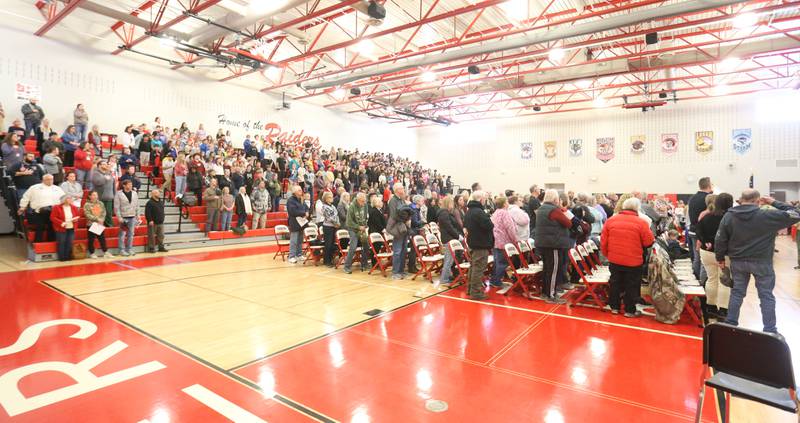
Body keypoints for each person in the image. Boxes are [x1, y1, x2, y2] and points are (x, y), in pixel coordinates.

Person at [715, 189, 800, 334]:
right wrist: (774, 202)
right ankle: (770, 330)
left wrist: (720, 258)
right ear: (757, 200)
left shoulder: (729, 216)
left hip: (738, 261)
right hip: (762, 262)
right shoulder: (767, 214)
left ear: (741, 199)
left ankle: (731, 324)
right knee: (766, 296)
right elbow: (796, 213)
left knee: (737, 293)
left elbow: (720, 239)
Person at [601, 197, 655, 317]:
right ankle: (629, 310)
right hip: (633, 260)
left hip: (614, 259)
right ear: (637, 208)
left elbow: (604, 241)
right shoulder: (641, 222)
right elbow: (649, 242)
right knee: (631, 284)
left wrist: (607, 254)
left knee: (615, 282)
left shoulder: (611, 220)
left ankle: (614, 307)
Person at [696, 193, 734, 319]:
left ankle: (710, 306)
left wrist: (706, 241)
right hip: (724, 253)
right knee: (724, 281)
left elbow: (698, 231)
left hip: (706, 252)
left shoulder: (706, 217)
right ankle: (723, 310)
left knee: (712, 279)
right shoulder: (730, 218)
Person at [534, 189, 572, 303]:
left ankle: (545, 293)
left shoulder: (541, 209)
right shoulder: (554, 210)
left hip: (543, 243)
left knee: (547, 269)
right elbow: (568, 223)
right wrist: (562, 209)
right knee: (554, 270)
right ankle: (551, 295)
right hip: (553, 243)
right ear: (556, 199)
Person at [18, 174, 64, 242]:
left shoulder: (58, 188)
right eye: (48, 179)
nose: (50, 181)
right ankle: (38, 243)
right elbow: (26, 197)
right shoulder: (34, 188)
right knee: (40, 227)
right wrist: (22, 207)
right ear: (43, 180)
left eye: (51, 179)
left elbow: (64, 199)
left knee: (52, 227)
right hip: (39, 212)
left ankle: (51, 242)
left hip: (53, 211)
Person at [464, 191, 492, 300]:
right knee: (478, 268)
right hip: (480, 243)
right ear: (480, 199)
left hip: (473, 242)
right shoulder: (479, 212)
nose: (485, 200)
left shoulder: (469, 211)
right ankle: (475, 292)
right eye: (484, 198)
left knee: (474, 267)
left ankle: (470, 289)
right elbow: (489, 225)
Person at [687, 177, 713, 280]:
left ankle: (695, 280)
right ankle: (702, 284)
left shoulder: (693, 198)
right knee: (703, 260)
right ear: (709, 185)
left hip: (693, 229)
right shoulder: (709, 198)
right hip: (703, 232)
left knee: (696, 258)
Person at [490, 196, 516, 293]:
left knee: (497, 261)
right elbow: (510, 228)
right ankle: (496, 281)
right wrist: (514, 240)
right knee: (503, 263)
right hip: (504, 241)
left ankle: (494, 280)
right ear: (504, 204)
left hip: (496, 240)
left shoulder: (495, 213)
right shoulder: (505, 213)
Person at [387, 183, 411, 280]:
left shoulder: (402, 200)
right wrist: (406, 220)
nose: (404, 190)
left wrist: (409, 218)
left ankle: (401, 271)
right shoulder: (393, 201)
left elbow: (408, 211)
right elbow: (394, 215)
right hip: (398, 228)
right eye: (402, 188)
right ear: (397, 190)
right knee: (397, 251)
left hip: (404, 227)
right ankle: (395, 272)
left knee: (404, 250)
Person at [436, 195, 461, 286]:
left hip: (450, 238)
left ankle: (447, 276)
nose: (453, 205)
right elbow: (449, 227)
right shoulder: (444, 213)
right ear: (448, 203)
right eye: (451, 203)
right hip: (448, 238)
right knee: (448, 260)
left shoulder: (446, 213)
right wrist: (458, 236)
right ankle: (444, 279)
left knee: (449, 259)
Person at [343, 192, 369, 274]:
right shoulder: (352, 207)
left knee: (366, 246)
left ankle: (364, 263)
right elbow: (349, 222)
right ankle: (347, 266)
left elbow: (365, 217)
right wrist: (358, 227)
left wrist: (364, 226)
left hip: (362, 228)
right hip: (353, 229)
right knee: (353, 247)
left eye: (364, 201)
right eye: (362, 201)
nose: (363, 203)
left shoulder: (365, 205)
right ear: (357, 200)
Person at [114, 179, 140, 256]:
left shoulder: (135, 193)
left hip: (132, 216)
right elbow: (116, 207)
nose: (131, 186)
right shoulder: (119, 194)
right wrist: (119, 217)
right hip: (123, 217)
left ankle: (129, 249)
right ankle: (121, 250)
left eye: (131, 184)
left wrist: (138, 215)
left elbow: (137, 205)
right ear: (124, 185)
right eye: (129, 184)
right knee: (122, 234)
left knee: (131, 234)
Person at [51, 194, 80, 261]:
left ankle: (67, 256)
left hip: (71, 227)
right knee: (61, 243)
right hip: (61, 228)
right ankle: (62, 257)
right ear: (64, 200)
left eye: (71, 198)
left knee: (69, 242)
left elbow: (78, 216)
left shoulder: (74, 207)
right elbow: (52, 217)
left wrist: (76, 219)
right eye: (68, 198)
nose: (70, 200)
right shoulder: (57, 207)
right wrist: (61, 223)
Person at [84, 190, 112, 258]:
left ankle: (105, 252)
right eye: (93, 195)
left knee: (102, 238)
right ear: (90, 196)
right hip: (91, 224)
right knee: (91, 239)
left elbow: (104, 212)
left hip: (99, 224)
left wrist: (102, 219)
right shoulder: (87, 204)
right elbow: (87, 214)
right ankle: (92, 253)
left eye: (96, 195)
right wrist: (97, 219)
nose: (95, 196)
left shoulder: (100, 203)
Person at [286, 185, 309, 264]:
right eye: (299, 190)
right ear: (294, 192)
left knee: (300, 240)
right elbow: (292, 211)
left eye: (301, 190)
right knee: (294, 240)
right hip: (294, 223)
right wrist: (303, 213)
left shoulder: (301, 199)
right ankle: (291, 256)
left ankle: (299, 254)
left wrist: (307, 212)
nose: (301, 191)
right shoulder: (290, 200)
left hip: (302, 222)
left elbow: (306, 207)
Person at [92, 160, 116, 227]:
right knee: (98, 215)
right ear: (99, 165)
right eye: (104, 164)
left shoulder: (109, 174)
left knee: (109, 214)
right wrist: (105, 177)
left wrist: (114, 195)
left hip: (109, 197)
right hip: (99, 198)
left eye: (106, 164)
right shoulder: (96, 173)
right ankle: (96, 231)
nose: (106, 165)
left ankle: (109, 227)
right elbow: (98, 182)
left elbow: (113, 185)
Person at [321, 191, 340, 267]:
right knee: (328, 244)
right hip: (328, 227)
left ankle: (331, 259)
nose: (331, 198)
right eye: (329, 197)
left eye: (332, 197)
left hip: (333, 226)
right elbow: (329, 218)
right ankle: (326, 261)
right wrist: (336, 223)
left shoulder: (333, 206)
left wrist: (337, 223)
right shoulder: (324, 207)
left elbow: (336, 215)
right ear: (325, 199)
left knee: (332, 244)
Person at [367, 196, 386, 264]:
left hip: (378, 231)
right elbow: (377, 222)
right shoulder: (374, 211)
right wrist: (383, 229)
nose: (382, 203)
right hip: (374, 231)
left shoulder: (379, 210)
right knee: (375, 248)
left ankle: (376, 262)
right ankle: (374, 263)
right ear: (376, 203)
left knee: (377, 247)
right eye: (380, 201)